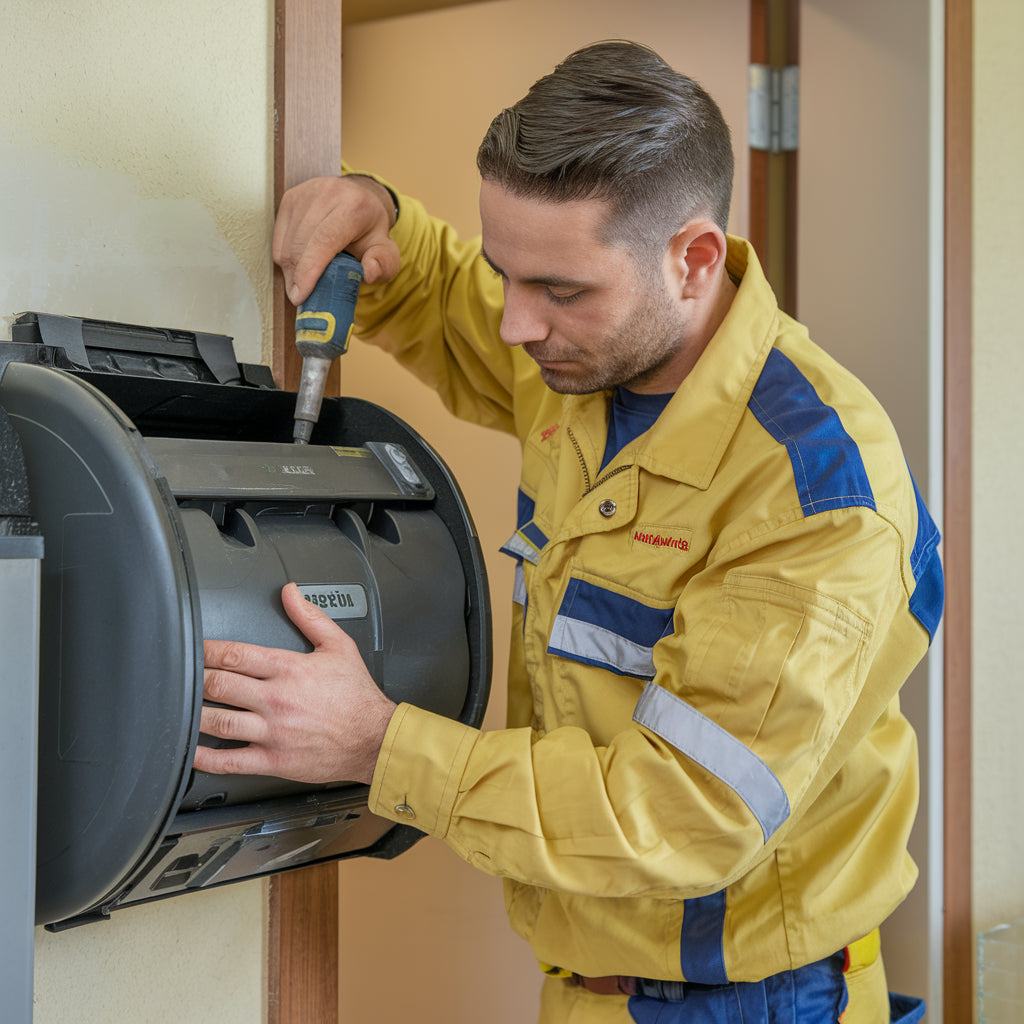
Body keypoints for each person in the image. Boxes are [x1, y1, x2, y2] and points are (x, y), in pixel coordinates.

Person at [194, 40, 941, 1024]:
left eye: (559, 290)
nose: (516, 324)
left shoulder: (812, 492)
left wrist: (379, 745)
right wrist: (379, 220)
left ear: (694, 259)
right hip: (584, 990)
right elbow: (459, 301)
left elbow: (682, 812)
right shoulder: (591, 361)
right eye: (511, 271)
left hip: (753, 1002)